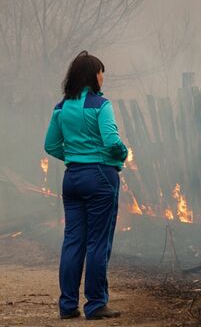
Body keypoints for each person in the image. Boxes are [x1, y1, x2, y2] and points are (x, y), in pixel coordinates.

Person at [44, 51, 128, 320]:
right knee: (97, 243)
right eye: (101, 72)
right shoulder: (101, 105)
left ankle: (68, 306)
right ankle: (95, 305)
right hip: (100, 178)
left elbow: (50, 145)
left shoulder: (61, 107)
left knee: (73, 242)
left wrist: (72, 157)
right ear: (94, 76)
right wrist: (123, 154)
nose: (103, 77)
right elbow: (112, 141)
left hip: (72, 179)